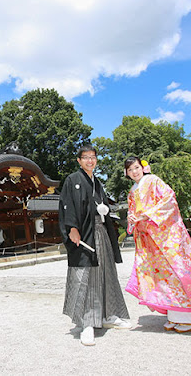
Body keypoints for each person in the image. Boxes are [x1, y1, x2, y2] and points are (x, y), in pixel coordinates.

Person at [124, 157, 191, 333]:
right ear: (126, 173)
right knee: (161, 276)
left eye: (136, 167)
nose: (134, 172)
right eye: (130, 170)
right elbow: (132, 211)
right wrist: (131, 218)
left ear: (142, 168)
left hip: (166, 236)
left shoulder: (153, 180)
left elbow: (169, 199)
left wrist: (146, 214)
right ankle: (175, 316)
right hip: (148, 238)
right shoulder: (132, 191)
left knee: (178, 271)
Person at [59, 144, 131, 346]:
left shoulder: (97, 182)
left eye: (93, 157)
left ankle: (108, 315)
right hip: (84, 235)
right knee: (86, 278)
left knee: (107, 273)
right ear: (79, 161)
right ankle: (87, 323)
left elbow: (103, 205)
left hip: (101, 232)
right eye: (86, 157)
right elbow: (67, 205)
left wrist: (104, 209)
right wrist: (72, 228)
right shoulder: (73, 180)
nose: (90, 161)